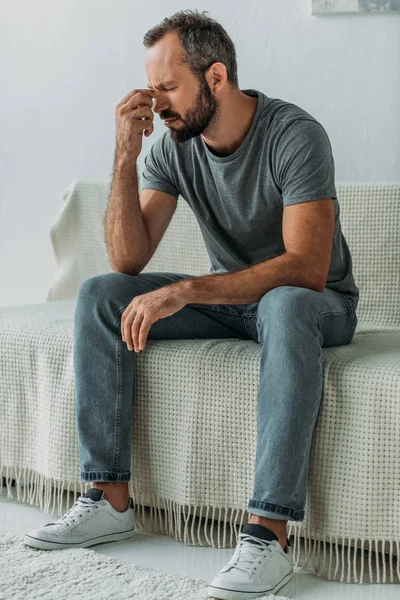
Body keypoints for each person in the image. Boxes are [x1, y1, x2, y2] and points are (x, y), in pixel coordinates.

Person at [24, 9, 359, 599]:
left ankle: (268, 535)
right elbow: (128, 260)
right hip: (235, 302)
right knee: (102, 295)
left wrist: (186, 290)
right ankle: (109, 498)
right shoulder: (176, 144)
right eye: (151, 88)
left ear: (217, 78)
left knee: (282, 303)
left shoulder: (294, 135)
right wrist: (125, 155)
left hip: (315, 304)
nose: (156, 104)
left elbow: (307, 268)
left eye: (168, 87)